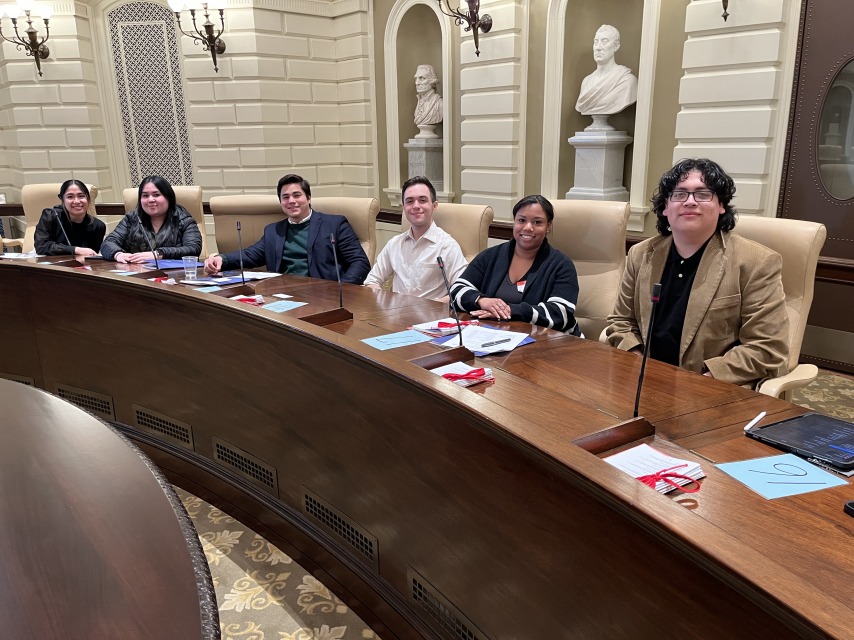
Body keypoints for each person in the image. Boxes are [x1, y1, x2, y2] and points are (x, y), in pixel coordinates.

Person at [605, 158, 789, 387]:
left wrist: (702, 382)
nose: (690, 202)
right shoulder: (640, 254)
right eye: (679, 194)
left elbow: (767, 347)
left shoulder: (757, 262)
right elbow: (621, 321)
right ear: (665, 206)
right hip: (645, 384)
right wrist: (640, 365)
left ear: (721, 205)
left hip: (713, 390)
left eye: (702, 194)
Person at [450, 195, 581, 335]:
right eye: (521, 220)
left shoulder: (561, 265)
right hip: (495, 336)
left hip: (549, 343)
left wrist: (511, 310)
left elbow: (561, 314)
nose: (528, 227)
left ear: (548, 226)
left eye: (537, 222)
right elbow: (456, 290)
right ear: (514, 222)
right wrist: (481, 300)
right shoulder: (491, 256)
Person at [204, 174, 370, 284]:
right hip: (282, 295)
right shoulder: (273, 231)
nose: (291, 201)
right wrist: (221, 259)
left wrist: (343, 290)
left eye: (297, 195)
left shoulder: (334, 224)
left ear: (309, 198)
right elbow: (250, 255)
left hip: (323, 295)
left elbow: (360, 262)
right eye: (285, 197)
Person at [364, 176, 466, 300]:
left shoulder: (447, 246)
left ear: (434, 206)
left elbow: (461, 289)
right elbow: (371, 281)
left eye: (422, 200)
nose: (416, 206)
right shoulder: (395, 244)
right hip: (395, 316)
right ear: (404, 207)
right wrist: (385, 303)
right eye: (409, 201)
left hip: (431, 316)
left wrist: (435, 306)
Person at [100, 176, 202, 263]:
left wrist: (158, 254)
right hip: (137, 274)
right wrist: (118, 254)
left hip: (173, 276)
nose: (150, 200)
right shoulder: (132, 218)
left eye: (156, 195)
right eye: (145, 196)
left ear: (168, 197)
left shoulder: (183, 219)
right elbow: (108, 243)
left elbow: (193, 249)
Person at [575, 25, 638, 116]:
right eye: (596, 42)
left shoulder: (627, 81)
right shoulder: (586, 82)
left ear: (616, 46)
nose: (598, 47)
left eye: (604, 41)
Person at [34, 180, 105, 256]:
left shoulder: (98, 226)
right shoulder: (50, 216)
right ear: (63, 200)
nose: (77, 201)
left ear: (88, 199)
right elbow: (41, 246)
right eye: (70, 197)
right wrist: (75, 250)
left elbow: (92, 255)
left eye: (81, 196)